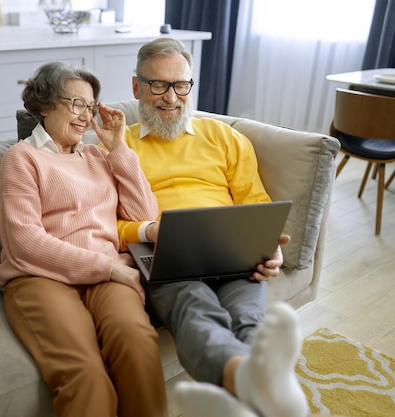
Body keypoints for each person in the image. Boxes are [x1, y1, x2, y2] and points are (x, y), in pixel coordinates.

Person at [116, 37, 308, 417]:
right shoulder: (118, 147)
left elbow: (255, 202)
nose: (171, 97)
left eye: (181, 85)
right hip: (166, 255)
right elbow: (107, 222)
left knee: (248, 320)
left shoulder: (225, 138)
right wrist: (150, 229)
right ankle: (254, 386)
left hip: (232, 252)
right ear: (137, 86)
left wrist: (270, 246)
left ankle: (247, 394)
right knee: (196, 308)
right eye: (158, 85)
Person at [0, 61, 168, 417]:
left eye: (90, 107)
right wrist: (109, 268)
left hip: (106, 276)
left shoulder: (97, 156)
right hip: (40, 277)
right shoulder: (21, 158)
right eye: (76, 104)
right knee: (85, 374)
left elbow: (143, 215)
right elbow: (25, 242)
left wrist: (118, 148)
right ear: (45, 104)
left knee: (138, 341)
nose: (86, 116)